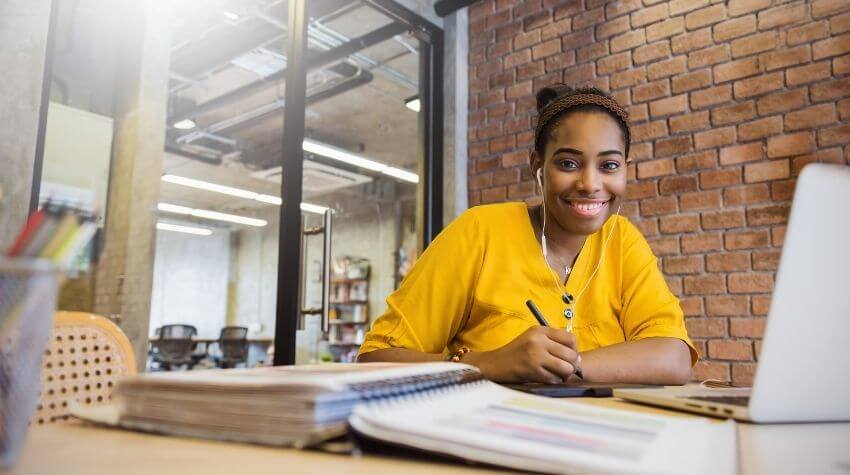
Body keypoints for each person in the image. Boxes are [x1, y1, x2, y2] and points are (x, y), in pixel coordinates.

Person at [358, 85, 697, 385]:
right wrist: (491, 363)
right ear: (538, 165)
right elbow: (375, 359)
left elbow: (674, 357)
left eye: (609, 165)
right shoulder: (480, 231)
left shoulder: (621, 240)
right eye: (568, 163)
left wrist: (567, 365)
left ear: (625, 168)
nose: (591, 184)